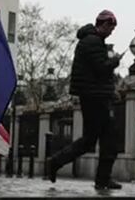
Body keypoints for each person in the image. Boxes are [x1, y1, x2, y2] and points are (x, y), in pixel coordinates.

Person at [45, 10, 123, 190]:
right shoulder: (93, 42)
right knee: (106, 139)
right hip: (96, 99)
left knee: (94, 139)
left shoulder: (90, 41)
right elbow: (101, 69)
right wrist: (115, 61)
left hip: (94, 96)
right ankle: (59, 163)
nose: (111, 32)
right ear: (103, 24)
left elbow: (95, 75)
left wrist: (110, 92)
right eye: (110, 28)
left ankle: (99, 178)